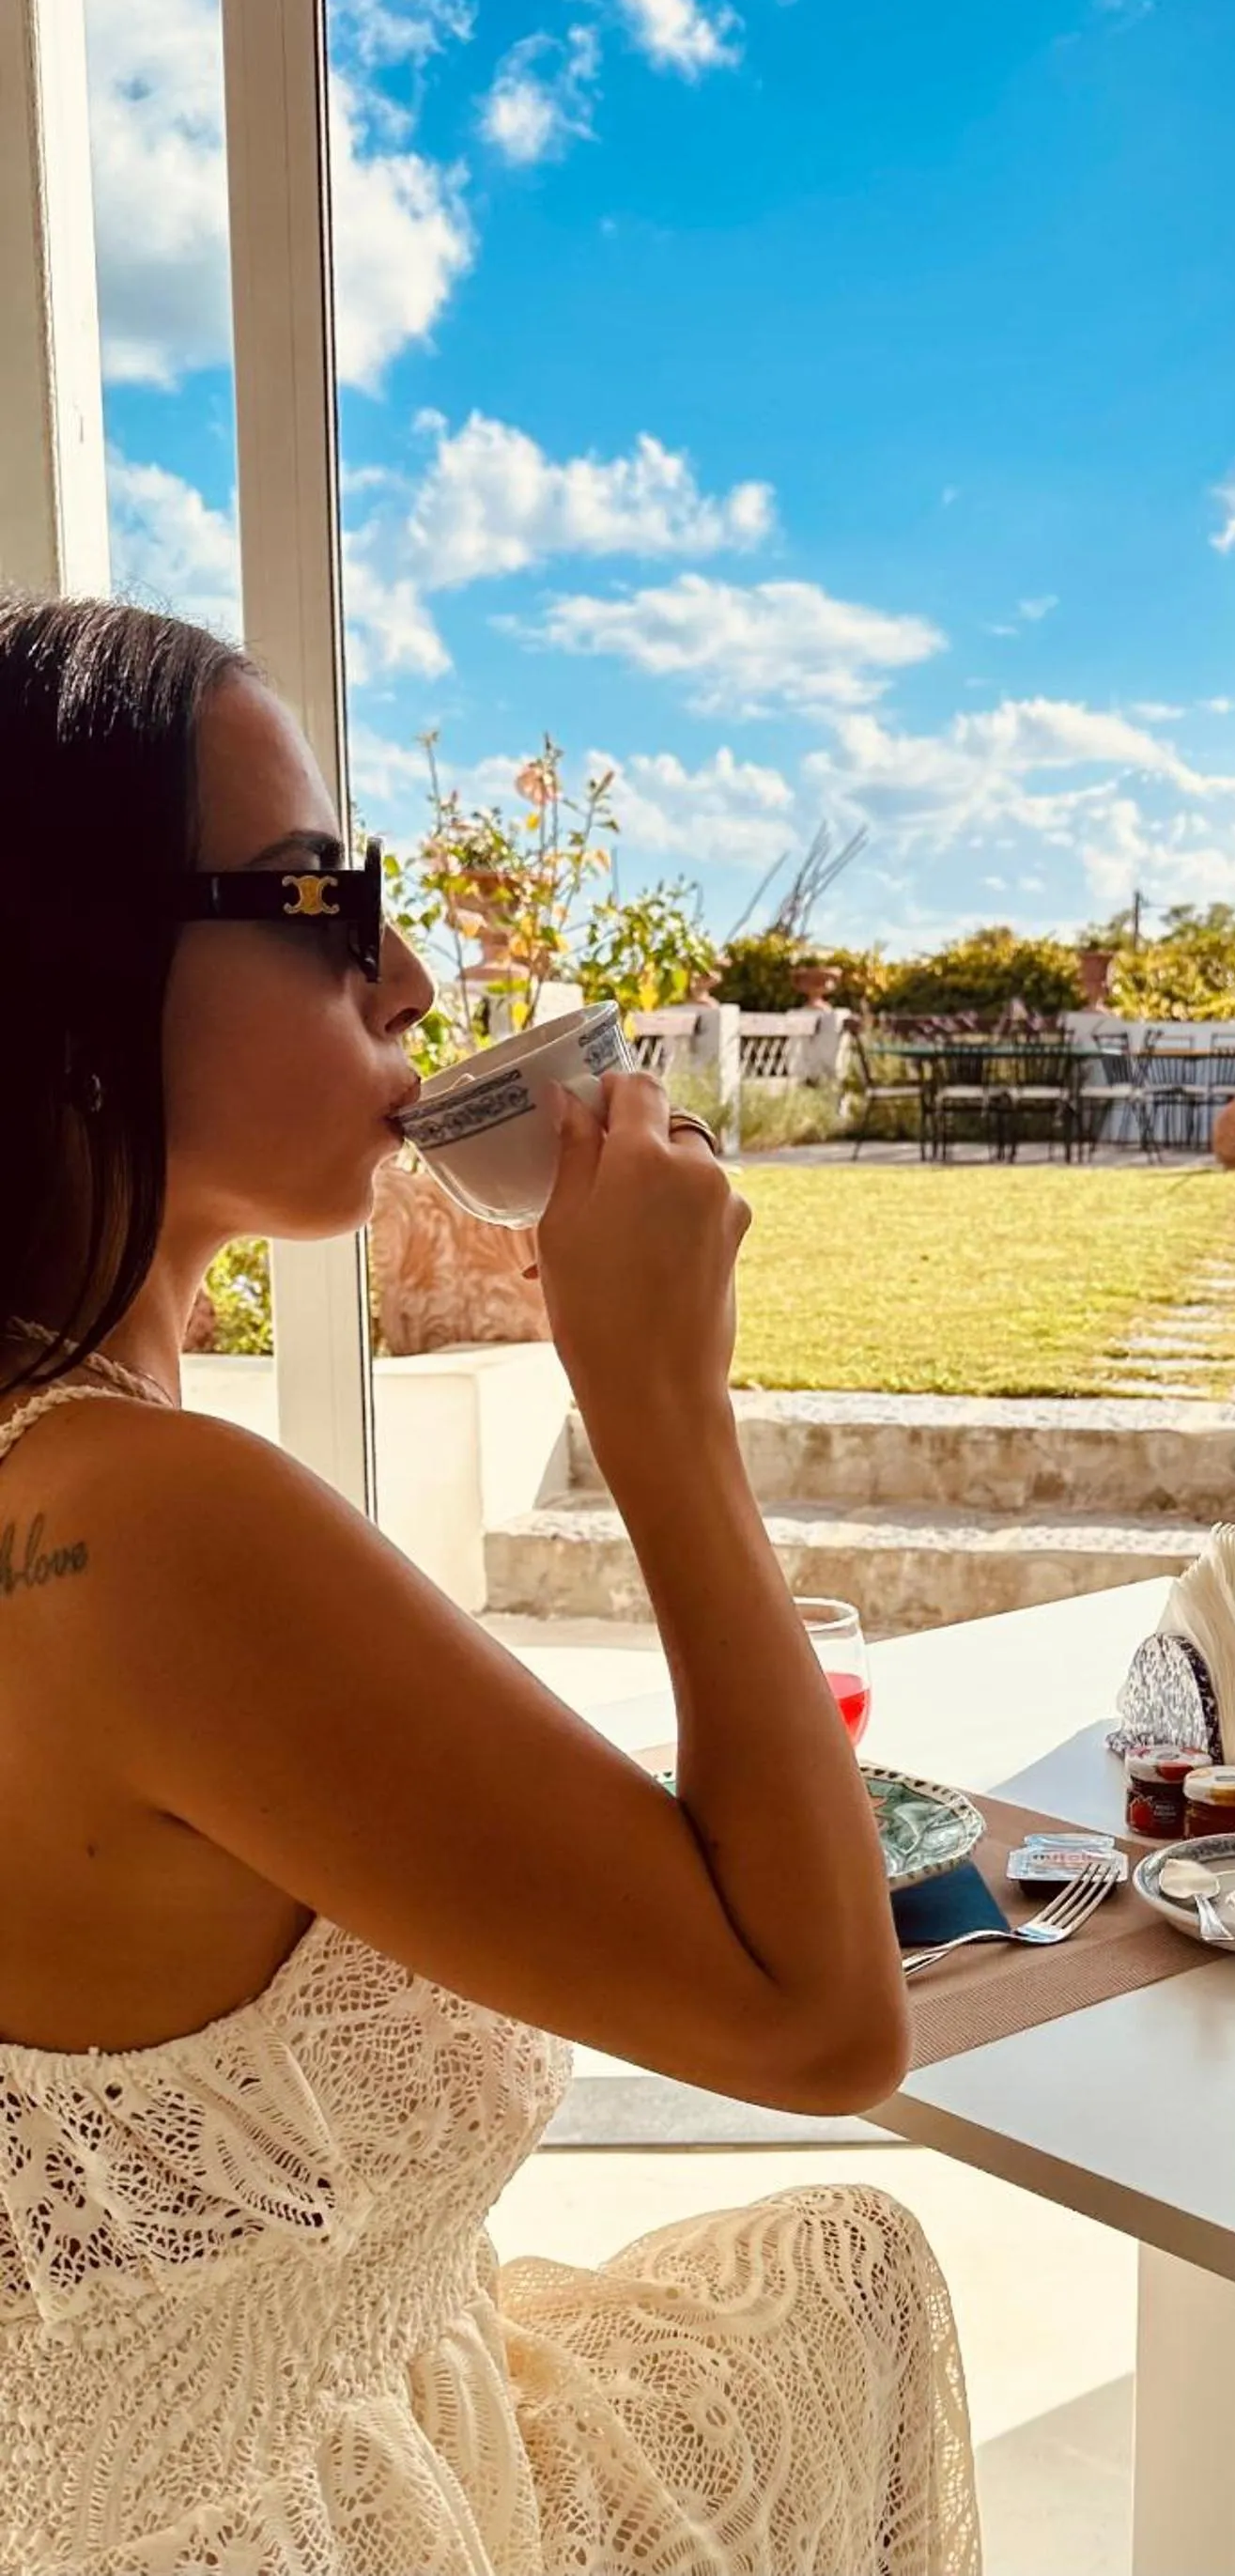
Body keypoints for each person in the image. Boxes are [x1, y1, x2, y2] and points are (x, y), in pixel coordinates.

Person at [0, 596, 979, 2574]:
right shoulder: (161, 1530)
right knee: (855, 2263)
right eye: (313, 902)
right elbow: (821, 2023)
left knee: (836, 2271)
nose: (415, 973)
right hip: (288, 2526)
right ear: (79, 970)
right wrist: (660, 1406)